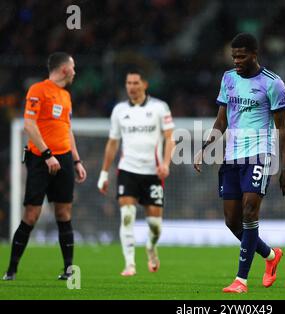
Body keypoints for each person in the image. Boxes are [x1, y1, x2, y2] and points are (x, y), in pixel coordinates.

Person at [194, 33, 285, 293]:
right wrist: (204, 148)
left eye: (241, 56)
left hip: (259, 154)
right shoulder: (228, 79)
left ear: (254, 54)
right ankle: (271, 256)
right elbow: (221, 120)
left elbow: (282, 129)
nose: (237, 60)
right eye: (234, 56)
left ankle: (241, 280)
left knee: (250, 211)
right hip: (232, 157)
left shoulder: (273, 84)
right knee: (232, 221)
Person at [3, 52, 87, 281]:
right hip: (41, 159)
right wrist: (48, 155)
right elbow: (29, 125)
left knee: (64, 212)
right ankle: (11, 269)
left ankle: (68, 269)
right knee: (32, 213)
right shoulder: (38, 90)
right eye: (73, 67)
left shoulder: (66, 96)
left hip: (65, 158)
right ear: (64, 70)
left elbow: (67, 129)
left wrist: (77, 160)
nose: (75, 71)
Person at [97, 69, 175, 276]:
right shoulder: (119, 110)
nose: (131, 87)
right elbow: (112, 143)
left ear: (145, 84)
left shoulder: (159, 108)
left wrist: (166, 164)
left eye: (135, 83)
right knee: (127, 216)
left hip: (153, 172)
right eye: (128, 83)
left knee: (155, 226)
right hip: (128, 170)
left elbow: (170, 138)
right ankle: (130, 263)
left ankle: (150, 247)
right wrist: (104, 174)